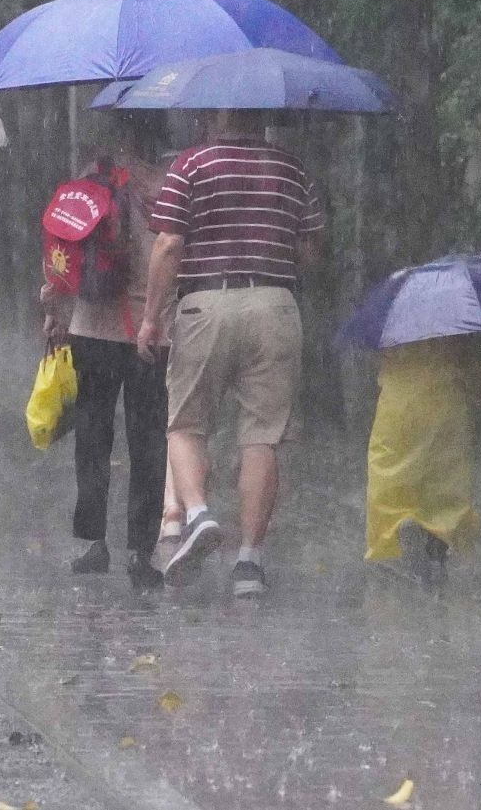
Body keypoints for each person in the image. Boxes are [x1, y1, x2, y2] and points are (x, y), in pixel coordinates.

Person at [136, 109, 324, 598]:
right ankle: (249, 564)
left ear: (214, 114)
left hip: (206, 303)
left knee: (185, 422)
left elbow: (169, 245)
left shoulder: (192, 165)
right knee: (262, 436)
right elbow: (309, 251)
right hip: (274, 305)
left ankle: (195, 514)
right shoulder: (292, 169)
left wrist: (153, 316)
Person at [40, 121, 173, 590]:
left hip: (90, 328)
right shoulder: (168, 185)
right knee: (148, 441)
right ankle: (142, 551)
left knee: (93, 437)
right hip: (151, 332)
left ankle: (94, 544)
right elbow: (177, 254)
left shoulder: (87, 185)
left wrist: (54, 310)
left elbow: (62, 254)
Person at [363, 334, 481, 588]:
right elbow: (473, 373)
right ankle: (437, 544)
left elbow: (380, 360)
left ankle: (400, 522)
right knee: (444, 479)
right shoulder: (457, 323)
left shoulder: (394, 324)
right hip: (445, 406)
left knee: (392, 475)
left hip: (398, 408)